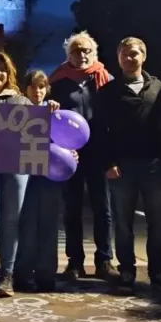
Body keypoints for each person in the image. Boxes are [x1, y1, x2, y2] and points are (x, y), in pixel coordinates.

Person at [0, 52, 57, 298]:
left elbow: (38, 130)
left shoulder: (21, 101)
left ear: (9, 73)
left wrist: (49, 110)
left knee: (11, 221)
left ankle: (6, 276)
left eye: (2, 69)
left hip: (16, 168)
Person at [103, 37, 161, 292]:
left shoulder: (159, 88)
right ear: (118, 58)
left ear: (143, 57)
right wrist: (108, 162)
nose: (129, 58)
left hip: (154, 166)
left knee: (158, 222)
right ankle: (127, 270)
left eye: (133, 54)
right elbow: (101, 131)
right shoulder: (108, 91)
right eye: (124, 54)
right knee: (123, 223)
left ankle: (158, 272)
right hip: (121, 167)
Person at [48, 31, 116, 282]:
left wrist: (113, 156)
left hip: (99, 153)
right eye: (77, 50)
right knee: (72, 209)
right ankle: (74, 262)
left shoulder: (105, 79)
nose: (82, 54)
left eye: (87, 50)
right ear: (69, 55)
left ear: (94, 53)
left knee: (103, 209)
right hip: (69, 155)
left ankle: (104, 261)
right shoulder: (57, 82)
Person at [14, 70, 70, 292]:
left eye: (42, 87)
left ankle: (46, 274)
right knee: (26, 226)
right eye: (33, 87)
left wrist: (70, 153)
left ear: (47, 89)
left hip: (50, 176)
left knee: (48, 225)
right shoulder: (18, 112)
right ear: (25, 89)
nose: (37, 91)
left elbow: (67, 139)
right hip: (24, 175)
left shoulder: (55, 112)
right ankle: (22, 274)